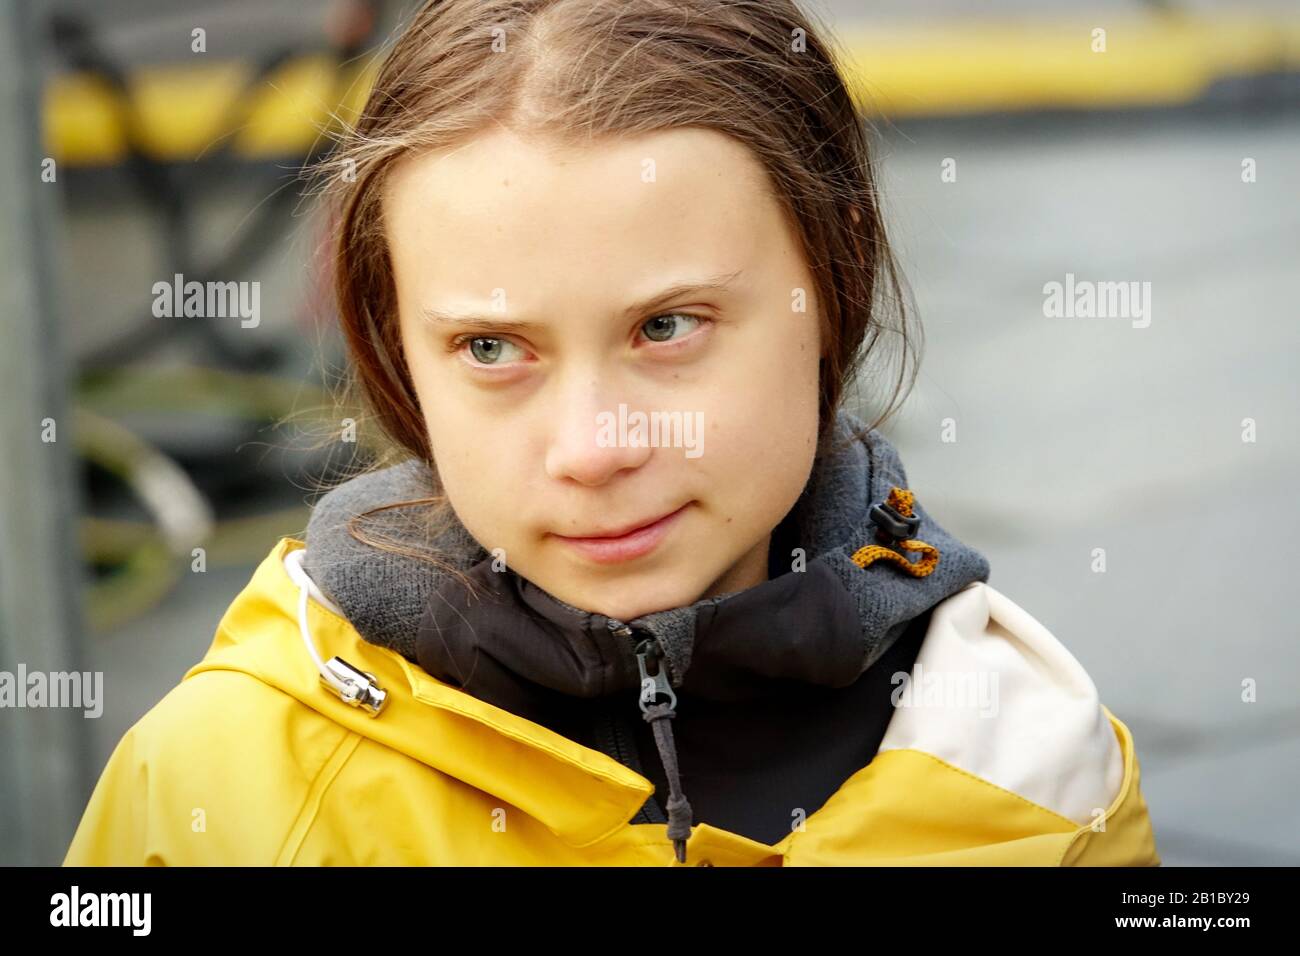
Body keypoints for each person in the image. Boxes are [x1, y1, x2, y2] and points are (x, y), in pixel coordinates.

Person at [64, 0, 1159, 866]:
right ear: (396, 343)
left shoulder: (1026, 755)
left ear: (830, 281)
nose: (591, 446)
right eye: (492, 347)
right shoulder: (219, 788)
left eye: (665, 326)